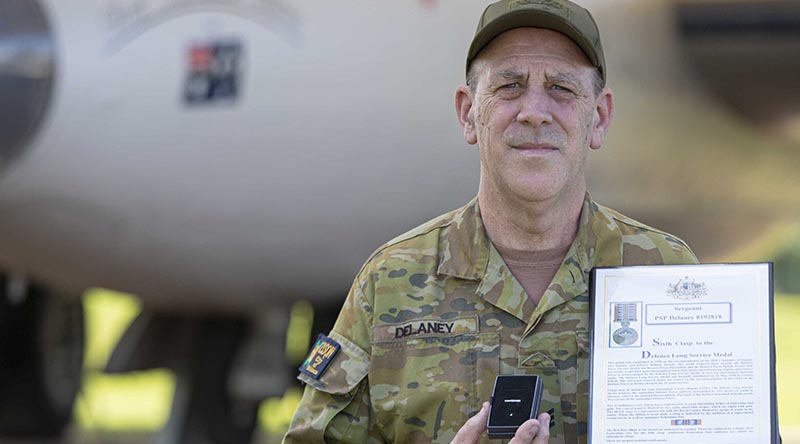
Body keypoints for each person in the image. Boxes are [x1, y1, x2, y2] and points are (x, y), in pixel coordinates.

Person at [283, 0, 697, 443]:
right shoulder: (389, 284)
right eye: (509, 86)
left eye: (561, 88)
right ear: (467, 113)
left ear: (598, 117)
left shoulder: (666, 274)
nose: (534, 111)